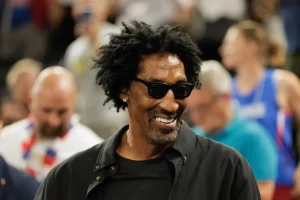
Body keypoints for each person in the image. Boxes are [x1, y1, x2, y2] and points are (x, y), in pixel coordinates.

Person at [34, 21, 260, 200]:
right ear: (124, 89)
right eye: (156, 88)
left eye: (180, 89)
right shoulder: (69, 179)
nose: (171, 104)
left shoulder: (226, 170)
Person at [220, 20, 300, 200]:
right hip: (240, 187)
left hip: (281, 184)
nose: (222, 49)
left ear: (251, 47)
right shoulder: (225, 91)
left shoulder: (282, 82)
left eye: (229, 44)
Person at [187, 60, 278, 200]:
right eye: (192, 110)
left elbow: (264, 193)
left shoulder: (254, 137)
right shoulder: (192, 137)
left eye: (203, 107)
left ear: (225, 97)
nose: (197, 117)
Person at [0, 66, 103, 182]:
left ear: (74, 104)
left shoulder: (93, 151)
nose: (54, 121)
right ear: (31, 101)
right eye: (46, 110)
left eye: (62, 112)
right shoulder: (5, 140)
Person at [63, 0, 127, 139]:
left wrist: (94, 37)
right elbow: (73, 86)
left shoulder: (116, 36)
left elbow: (113, 73)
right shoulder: (74, 49)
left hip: (110, 118)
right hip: (85, 120)